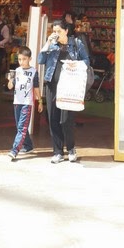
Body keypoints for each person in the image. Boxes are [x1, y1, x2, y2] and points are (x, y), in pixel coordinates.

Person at [38, 18, 90, 164]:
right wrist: (47, 43)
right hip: (52, 86)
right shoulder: (52, 45)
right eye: (54, 31)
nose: (56, 34)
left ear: (66, 31)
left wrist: (76, 64)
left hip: (69, 87)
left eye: (59, 31)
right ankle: (58, 151)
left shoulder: (76, 44)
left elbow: (87, 61)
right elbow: (40, 60)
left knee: (67, 120)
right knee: (53, 119)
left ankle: (71, 148)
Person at [7, 46, 43, 161]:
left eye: (24, 59)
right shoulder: (16, 71)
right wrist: (10, 80)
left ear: (29, 59)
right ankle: (28, 145)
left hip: (27, 103)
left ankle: (14, 150)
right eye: (19, 59)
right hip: (17, 102)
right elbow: (10, 87)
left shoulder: (34, 72)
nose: (21, 62)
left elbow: (36, 88)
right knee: (20, 126)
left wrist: (40, 101)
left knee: (22, 127)